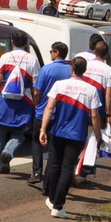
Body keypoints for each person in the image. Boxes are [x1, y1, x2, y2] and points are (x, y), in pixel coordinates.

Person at [38, 56, 104, 219]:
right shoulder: (91, 90)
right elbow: (94, 116)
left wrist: (43, 129)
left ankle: (52, 199)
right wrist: (98, 136)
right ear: (84, 70)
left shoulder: (59, 85)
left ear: (71, 69)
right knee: (67, 169)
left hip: (58, 131)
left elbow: (49, 108)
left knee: (54, 165)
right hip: (77, 134)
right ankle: (58, 205)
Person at [0, 33, 40, 175]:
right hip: (24, 102)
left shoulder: (5, 57)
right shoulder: (32, 60)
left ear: (12, 41)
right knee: (20, 133)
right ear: (26, 43)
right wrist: (36, 103)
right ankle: (8, 151)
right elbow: (35, 87)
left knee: (0, 133)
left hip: (4, 100)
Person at [27, 42, 74, 185]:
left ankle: (37, 172)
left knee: (36, 141)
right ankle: (50, 177)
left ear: (57, 52)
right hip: (61, 114)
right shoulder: (70, 70)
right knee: (54, 146)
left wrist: (36, 104)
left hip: (43, 111)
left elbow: (37, 91)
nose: (50, 53)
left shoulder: (46, 69)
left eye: (51, 51)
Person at [75, 35, 111, 182]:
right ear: (106, 54)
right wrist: (108, 112)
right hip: (98, 107)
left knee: (79, 135)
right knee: (95, 138)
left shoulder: (85, 64)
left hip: (81, 104)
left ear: (94, 51)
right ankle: (83, 171)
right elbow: (109, 94)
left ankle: (73, 164)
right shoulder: (109, 70)